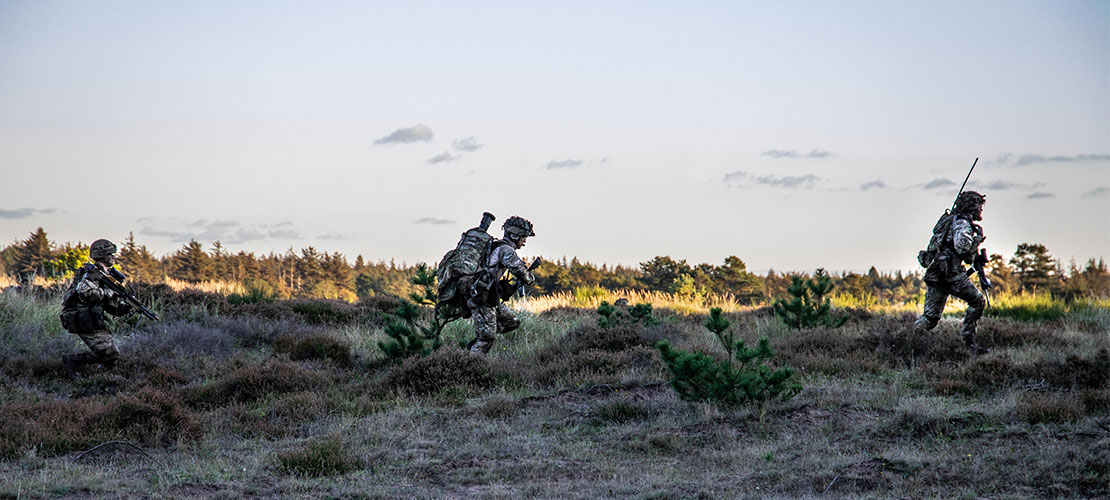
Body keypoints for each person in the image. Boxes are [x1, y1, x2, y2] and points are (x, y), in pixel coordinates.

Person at [914, 191, 990, 355]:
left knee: (930, 318)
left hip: (937, 273)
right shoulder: (962, 224)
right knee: (977, 302)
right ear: (973, 207)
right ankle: (969, 345)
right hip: (951, 275)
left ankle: (909, 340)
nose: (981, 211)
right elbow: (962, 246)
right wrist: (976, 241)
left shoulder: (949, 221)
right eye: (980, 207)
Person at [59, 239, 135, 375]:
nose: (114, 257)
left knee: (110, 354)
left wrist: (123, 308)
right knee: (110, 353)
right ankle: (72, 361)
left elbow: (108, 303)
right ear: (103, 256)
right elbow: (84, 291)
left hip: (92, 318)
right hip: (83, 318)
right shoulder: (92, 274)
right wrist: (107, 293)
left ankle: (106, 376)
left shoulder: (106, 275)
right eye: (111, 254)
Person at [466, 216, 536, 355]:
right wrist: (530, 278)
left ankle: (480, 338)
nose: (524, 243)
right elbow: (519, 270)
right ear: (515, 236)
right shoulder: (506, 249)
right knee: (487, 339)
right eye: (523, 238)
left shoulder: (495, 246)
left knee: (512, 322)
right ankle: (470, 366)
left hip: (488, 297)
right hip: (482, 297)